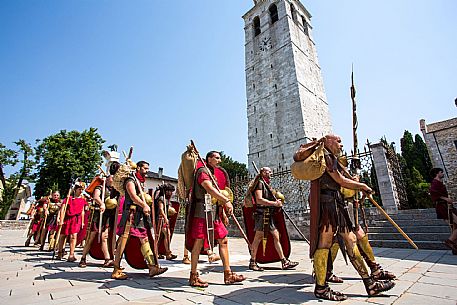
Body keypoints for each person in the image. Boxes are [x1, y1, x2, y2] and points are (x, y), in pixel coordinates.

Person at [308, 135, 394, 301]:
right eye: (338, 141)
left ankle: (370, 283)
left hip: (336, 205)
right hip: (328, 207)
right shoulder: (325, 156)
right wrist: (361, 185)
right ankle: (321, 288)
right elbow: (340, 181)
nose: (341, 144)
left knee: (351, 240)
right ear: (327, 142)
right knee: (325, 245)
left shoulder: (330, 158)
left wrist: (357, 188)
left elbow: (343, 185)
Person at [185, 151, 246, 287]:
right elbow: (209, 189)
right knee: (198, 243)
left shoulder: (211, 172)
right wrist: (226, 201)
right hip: (202, 212)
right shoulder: (202, 171)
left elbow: (215, 195)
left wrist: (222, 210)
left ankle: (228, 274)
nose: (219, 161)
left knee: (223, 240)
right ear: (209, 159)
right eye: (217, 158)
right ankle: (193, 276)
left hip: (213, 213)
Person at [111, 160, 167, 280]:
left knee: (144, 239)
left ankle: (152, 267)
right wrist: (144, 205)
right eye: (145, 169)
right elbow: (133, 196)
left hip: (138, 215)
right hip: (130, 214)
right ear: (138, 168)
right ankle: (116, 269)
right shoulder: (130, 180)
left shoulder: (140, 182)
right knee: (123, 240)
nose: (147, 171)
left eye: (147, 169)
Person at [248, 167, 298, 271]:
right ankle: (252, 262)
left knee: (276, 236)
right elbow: (259, 200)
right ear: (263, 172)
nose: (271, 173)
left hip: (268, 215)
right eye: (268, 171)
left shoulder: (266, 184)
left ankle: (284, 261)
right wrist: (274, 203)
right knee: (258, 239)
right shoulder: (260, 183)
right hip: (262, 215)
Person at [79, 175, 118, 268]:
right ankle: (83, 258)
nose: (114, 180)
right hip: (98, 215)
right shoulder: (100, 187)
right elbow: (96, 197)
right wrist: (101, 203)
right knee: (91, 238)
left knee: (105, 237)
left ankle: (107, 259)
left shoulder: (115, 190)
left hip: (108, 215)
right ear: (108, 179)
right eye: (112, 178)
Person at [57, 184, 88, 262]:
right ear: (75, 190)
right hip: (67, 218)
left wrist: (83, 222)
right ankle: (60, 252)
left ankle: (71, 254)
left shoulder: (83, 200)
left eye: (82, 189)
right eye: (79, 189)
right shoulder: (68, 199)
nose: (81, 191)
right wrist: (61, 220)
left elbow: (82, 211)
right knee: (63, 235)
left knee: (73, 236)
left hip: (76, 219)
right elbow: (62, 209)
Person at [430, 167, 457, 252]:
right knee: (454, 225)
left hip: (447, 206)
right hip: (443, 207)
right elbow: (433, 192)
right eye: (441, 172)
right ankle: (450, 241)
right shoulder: (435, 182)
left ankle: (455, 248)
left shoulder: (439, 182)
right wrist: (446, 199)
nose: (443, 174)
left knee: (454, 226)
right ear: (437, 173)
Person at [155, 183, 178, 260]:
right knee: (163, 235)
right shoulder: (161, 198)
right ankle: (165, 253)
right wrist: (165, 218)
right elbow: (161, 209)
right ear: (166, 191)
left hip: (164, 219)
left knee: (164, 236)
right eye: (170, 191)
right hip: (161, 219)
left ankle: (165, 253)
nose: (171, 193)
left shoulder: (167, 199)